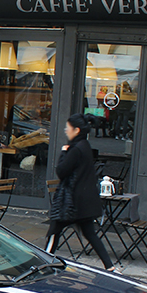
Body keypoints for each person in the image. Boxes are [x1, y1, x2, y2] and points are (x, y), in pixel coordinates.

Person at [45, 113, 121, 273]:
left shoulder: (75, 150)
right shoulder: (85, 146)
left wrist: (64, 151)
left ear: (76, 130)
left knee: (54, 232)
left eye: (68, 127)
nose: (66, 130)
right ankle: (110, 267)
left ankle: (44, 262)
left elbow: (61, 171)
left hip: (71, 203)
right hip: (85, 203)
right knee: (90, 234)